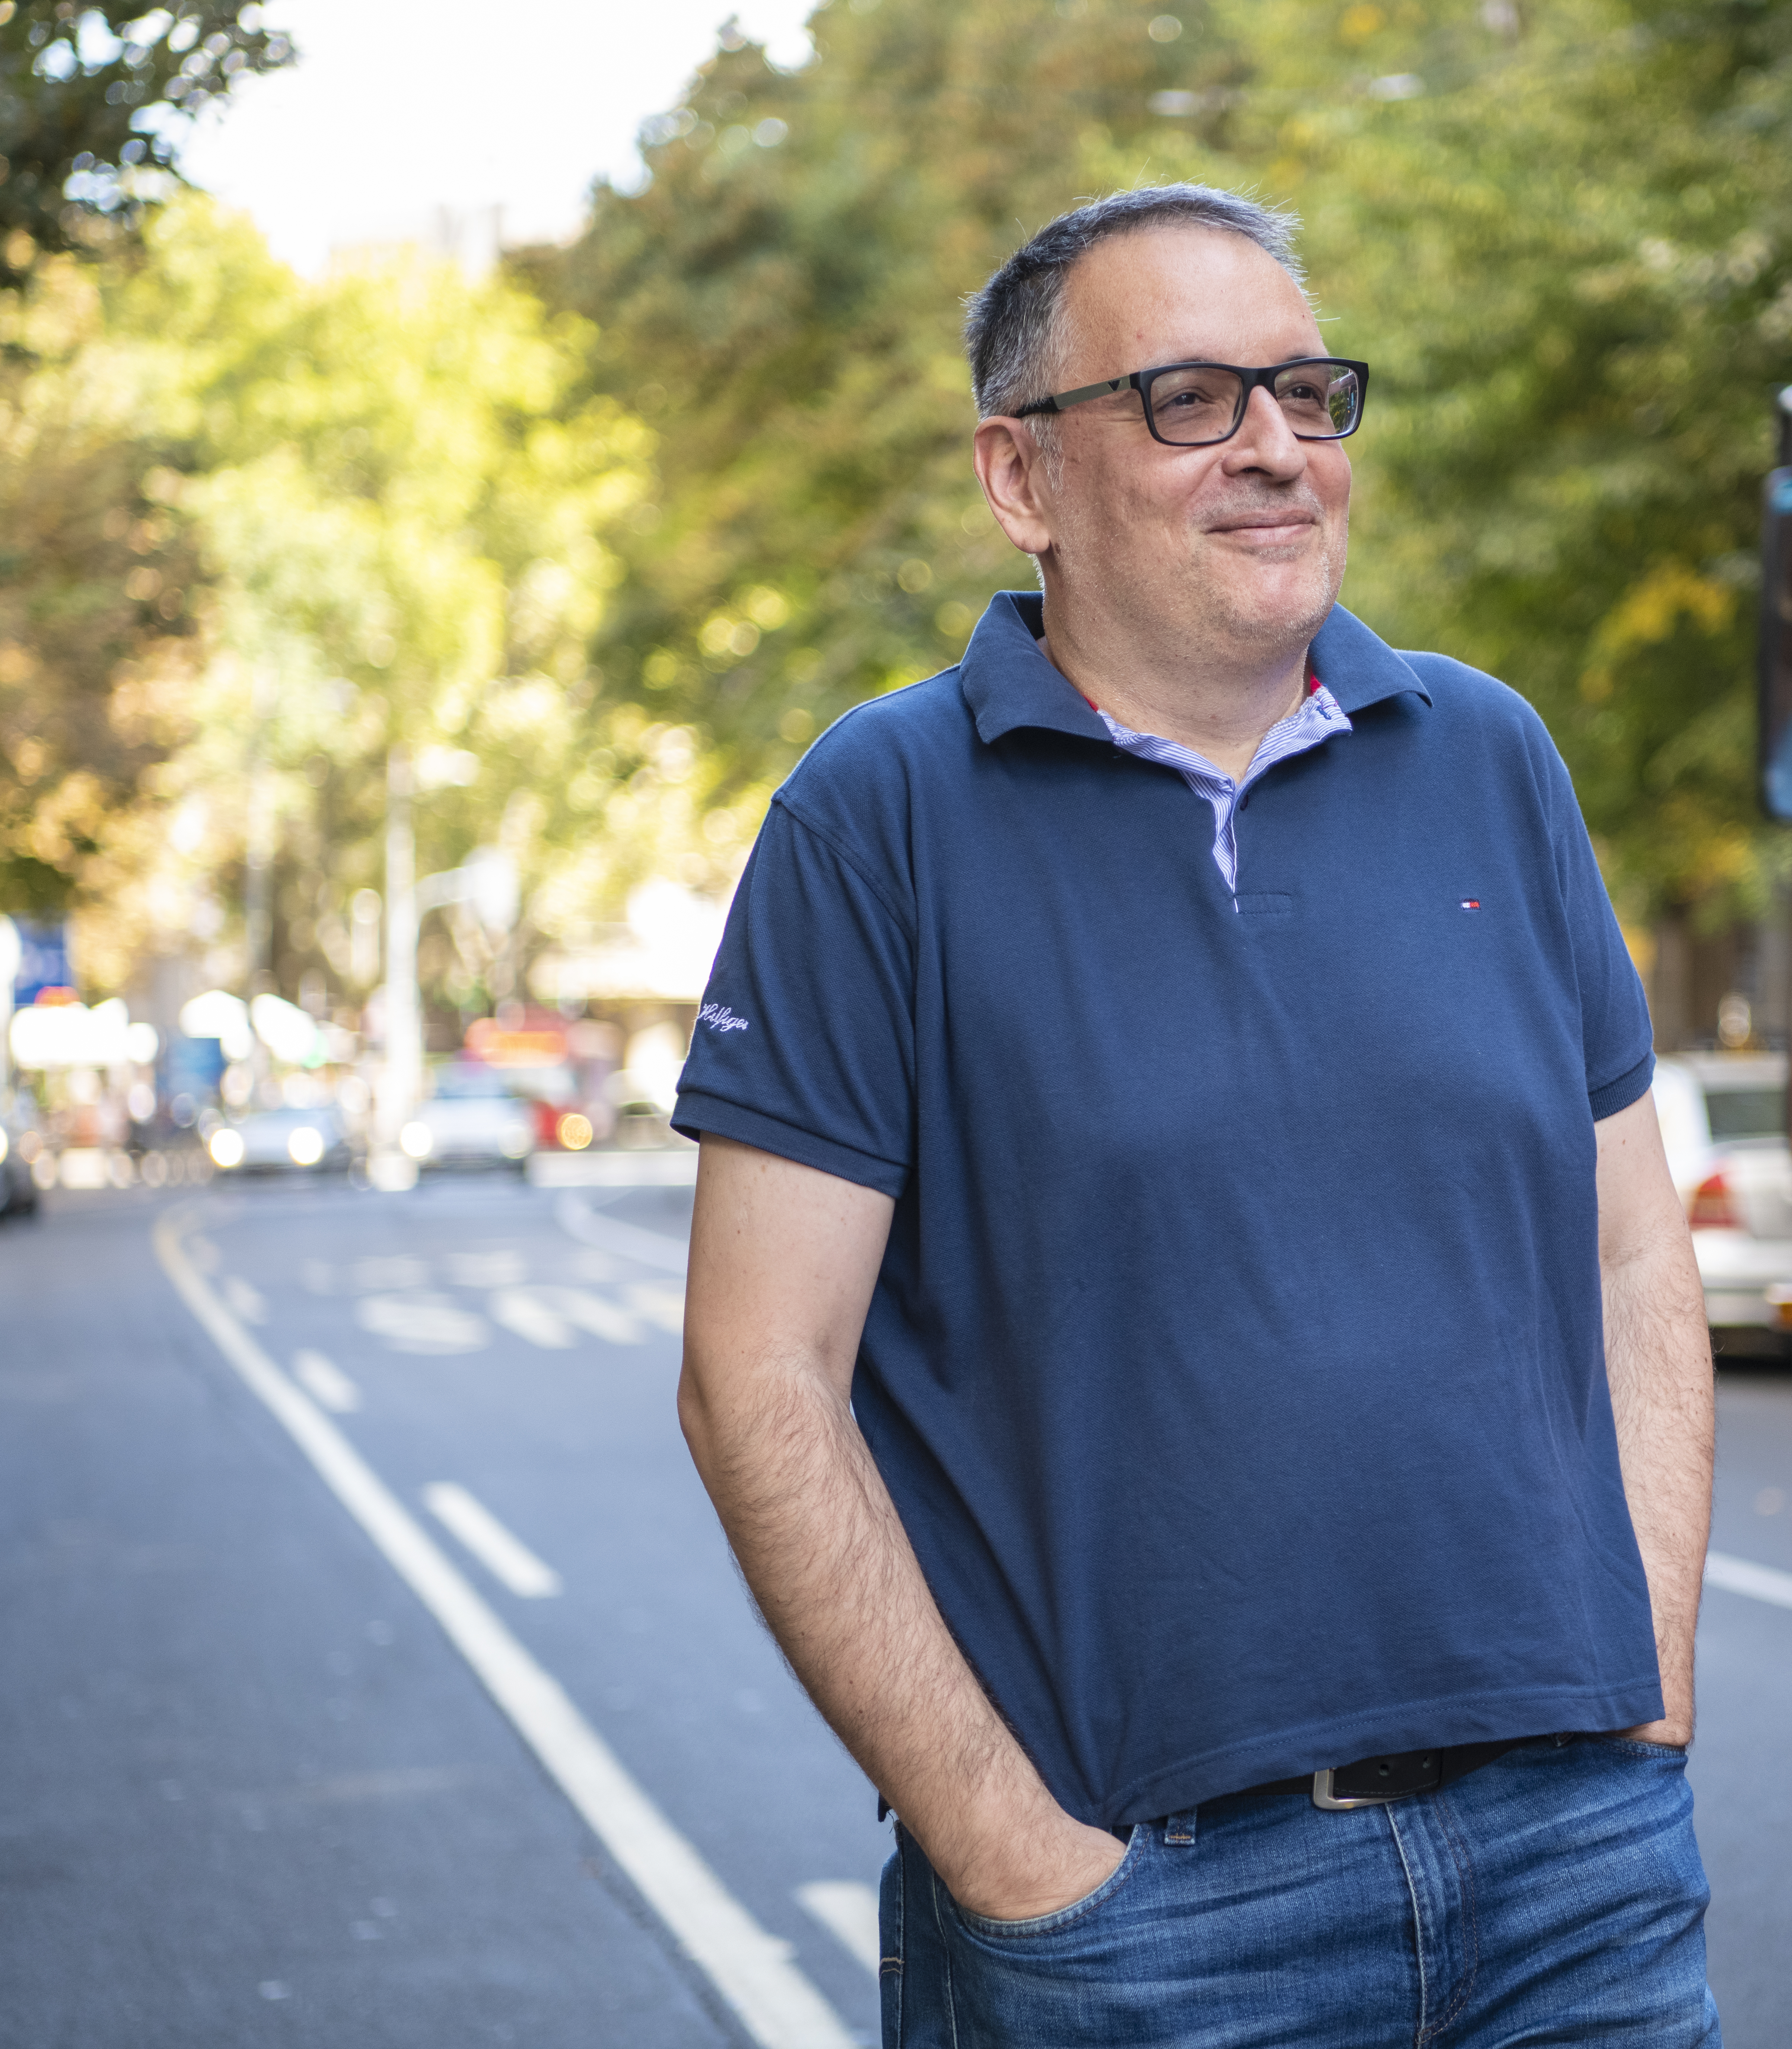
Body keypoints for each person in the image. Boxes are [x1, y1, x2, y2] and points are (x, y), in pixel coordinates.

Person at [673, 182, 1719, 2046]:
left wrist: (1650, 1705)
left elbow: (1638, 1254)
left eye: (1311, 396)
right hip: (1149, 1916)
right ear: (1023, 479)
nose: (1276, 450)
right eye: (1190, 401)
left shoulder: (1491, 755)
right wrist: (1020, 1861)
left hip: (1579, 1873)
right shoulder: (875, 816)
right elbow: (758, 1374)